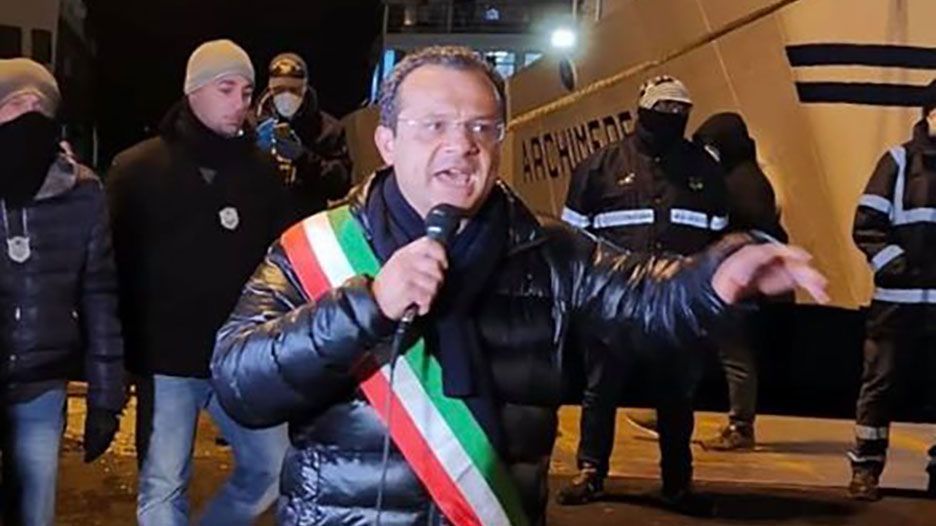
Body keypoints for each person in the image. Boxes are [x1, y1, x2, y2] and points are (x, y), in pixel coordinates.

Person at [209, 46, 827, 525]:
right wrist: (365, 306)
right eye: (434, 125)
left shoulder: (547, 249)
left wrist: (716, 278)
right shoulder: (316, 247)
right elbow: (239, 382)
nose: (461, 145)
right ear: (387, 142)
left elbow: (642, 298)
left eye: (482, 127)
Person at [106, 40, 290, 525]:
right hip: (166, 361)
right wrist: (115, 357)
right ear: (193, 91)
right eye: (226, 89)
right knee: (163, 483)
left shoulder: (262, 172)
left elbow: (279, 264)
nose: (240, 103)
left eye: (246, 92)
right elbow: (110, 269)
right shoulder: (137, 170)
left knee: (274, 466)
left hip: (238, 356)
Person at [557, 75, 728, 514]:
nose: (671, 117)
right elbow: (572, 242)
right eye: (663, 109)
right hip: (611, 303)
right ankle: (591, 471)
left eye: (679, 111)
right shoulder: (599, 167)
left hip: (674, 307)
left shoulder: (704, 171)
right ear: (642, 112)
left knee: (676, 399)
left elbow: (717, 241)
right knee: (601, 390)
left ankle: (677, 483)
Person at [0, 58, 125, 526]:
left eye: (39, 107)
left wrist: (106, 397)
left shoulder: (82, 191)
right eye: (15, 105)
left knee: (34, 510)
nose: (29, 117)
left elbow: (100, 296)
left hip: (42, 384)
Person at [848, 83, 936, 501]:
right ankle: (866, 468)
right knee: (880, 385)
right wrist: (895, 266)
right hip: (896, 306)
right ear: (930, 114)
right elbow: (866, 224)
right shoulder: (898, 163)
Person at [692, 112, 789, 451]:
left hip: (741, 284)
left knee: (735, 353)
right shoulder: (747, 178)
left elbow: (741, 231)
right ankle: (673, 407)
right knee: (704, 346)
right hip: (739, 280)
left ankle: (741, 426)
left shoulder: (742, 184)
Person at [255, 52, 352, 222]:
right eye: (279, 90)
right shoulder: (252, 124)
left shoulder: (328, 129)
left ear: (305, 88)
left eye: (294, 90)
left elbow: (339, 186)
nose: (286, 96)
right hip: (260, 222)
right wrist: (255, 152)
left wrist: (303, 157)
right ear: (270, 88)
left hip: (306, 224)